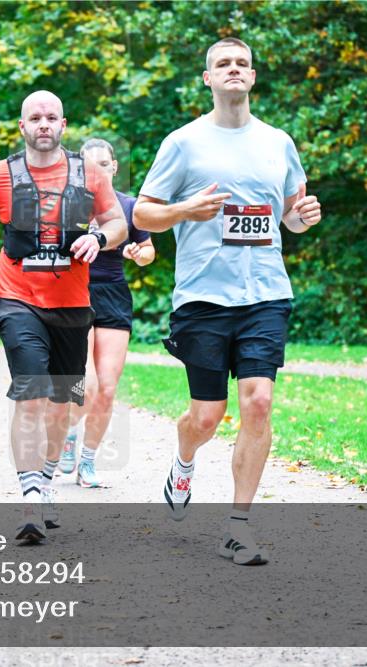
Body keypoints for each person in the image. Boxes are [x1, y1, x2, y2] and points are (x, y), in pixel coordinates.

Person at [135, 37, 322, 565]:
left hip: (266, 292)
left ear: (253, 76)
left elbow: (289, 214)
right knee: (206, 416)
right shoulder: (183, 143)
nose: (233, 69)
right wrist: (184, 210)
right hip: (203, 296)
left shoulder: (278, 143)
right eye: (223, 63)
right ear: (208, 78)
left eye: (242, 63)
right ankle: (184, 463)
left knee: (258, 402)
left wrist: (301, 218)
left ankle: (237, 528)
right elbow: (144, 213)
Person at [0, 90, 128, 543]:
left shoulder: (90, 173)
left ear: (63, 124)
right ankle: (30, 497)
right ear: (23, 126)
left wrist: (100, 239)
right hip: (18, 299)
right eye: (35, 118)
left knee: (63, 402)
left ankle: (47, 477)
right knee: (31, 392)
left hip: (72, 306)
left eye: (52, 117)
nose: (44, 124)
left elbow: (118, 223)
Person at [60, 139, 156, 488]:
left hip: (113, 294)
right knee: (86, 384)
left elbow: (148, 251)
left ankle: (87, 461)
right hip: (75, 294)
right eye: (89, 164)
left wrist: (138, 254)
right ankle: (69, 432)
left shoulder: (129, 206)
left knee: (108, 388)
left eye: (104, 163)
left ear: (114, 167)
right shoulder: (69, 206)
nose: (97, 170)